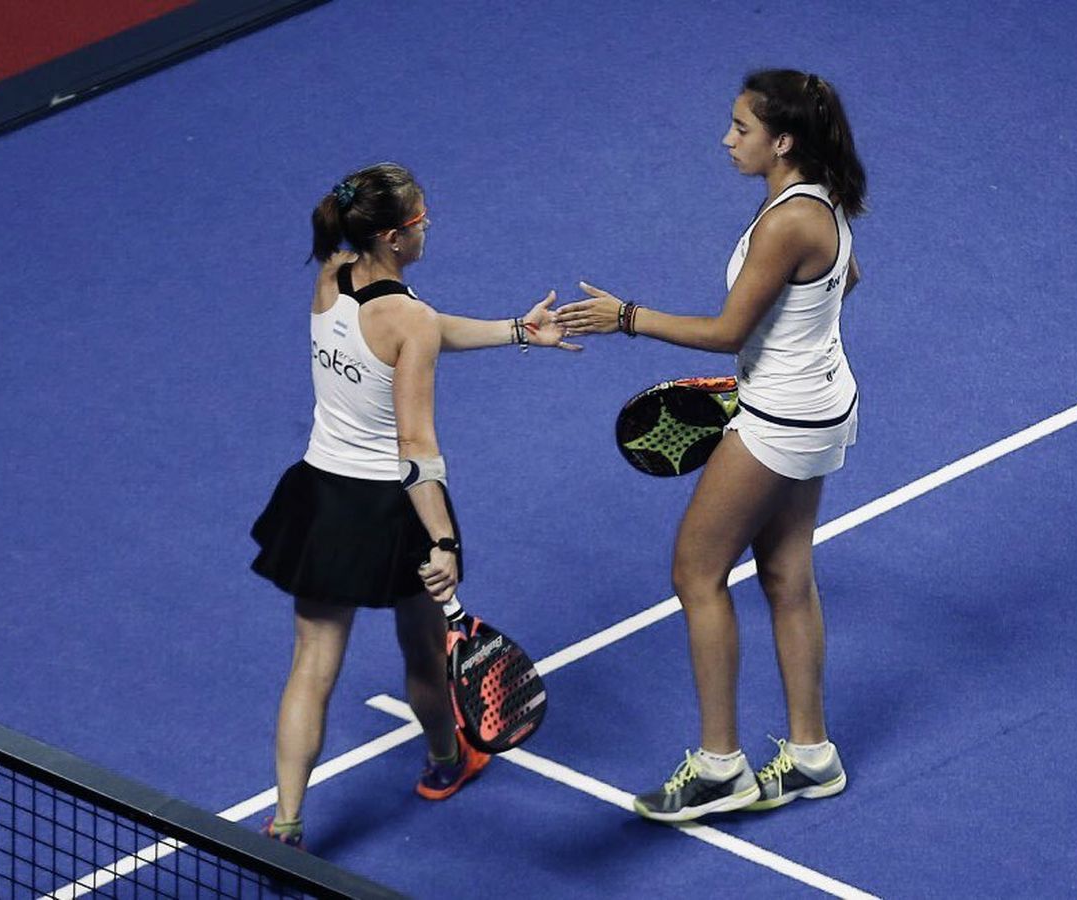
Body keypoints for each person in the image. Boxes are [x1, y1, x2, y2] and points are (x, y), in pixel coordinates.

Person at [556, 69, 867, 822]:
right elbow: (845, 278)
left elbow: (727, 330)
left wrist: (625, 317)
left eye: (741, 129)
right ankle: (812, 754)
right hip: (820, 402)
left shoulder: (786, 222)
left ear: (782, 141)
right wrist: (783, 357)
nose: (727, 140)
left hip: (781, 421)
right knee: (787, 571)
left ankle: (721, 767)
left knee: (696, 573)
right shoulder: (816, 200)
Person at [250, 162, 580, 847]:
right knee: (426, 654)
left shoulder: (332, 274)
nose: (430, 227)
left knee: (311, 663)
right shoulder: (411, 320)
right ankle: (445, 762)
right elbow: (416, 448)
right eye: (422, 220)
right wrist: (443, 544)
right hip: (392, 508)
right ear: (398, 238)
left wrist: (517, 329)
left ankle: (284, 823)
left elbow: (420, 332)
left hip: (319, 498)